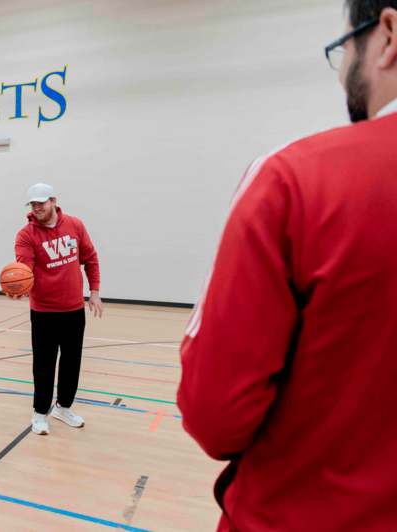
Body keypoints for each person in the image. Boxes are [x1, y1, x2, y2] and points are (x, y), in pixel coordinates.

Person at [177, 2, 397, 529]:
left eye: (344, 48)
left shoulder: (294, 179)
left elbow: (215, 416)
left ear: (387, 34)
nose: (343, 69)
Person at [14, 183, 102, 436]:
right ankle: (40, 413)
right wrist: (19, 285)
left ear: (53, 200)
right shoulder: (26, 235)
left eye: (41, 202)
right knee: (44, 364)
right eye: (33, 204)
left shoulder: (75, 225)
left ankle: (63, 407)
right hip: (43, 312)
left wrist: (94, 291)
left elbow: (90, 258)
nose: (37, 208)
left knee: (72, 362)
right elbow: (25, 268)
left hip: (74, 309)